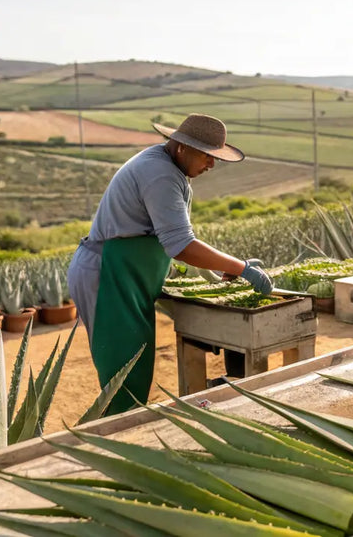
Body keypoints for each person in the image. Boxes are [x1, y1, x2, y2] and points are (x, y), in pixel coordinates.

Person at [67, 113, 272, 416]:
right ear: (182, 148)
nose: (211, 164)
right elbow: (181, 245)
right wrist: (242, 267)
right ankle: (113, 445)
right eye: (207, 155)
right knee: (122, 374)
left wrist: (216, 270)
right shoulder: (160, 174)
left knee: (133, 367)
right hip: (106, 275)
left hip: (125, 277)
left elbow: (172, 237)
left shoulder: (166, 166)